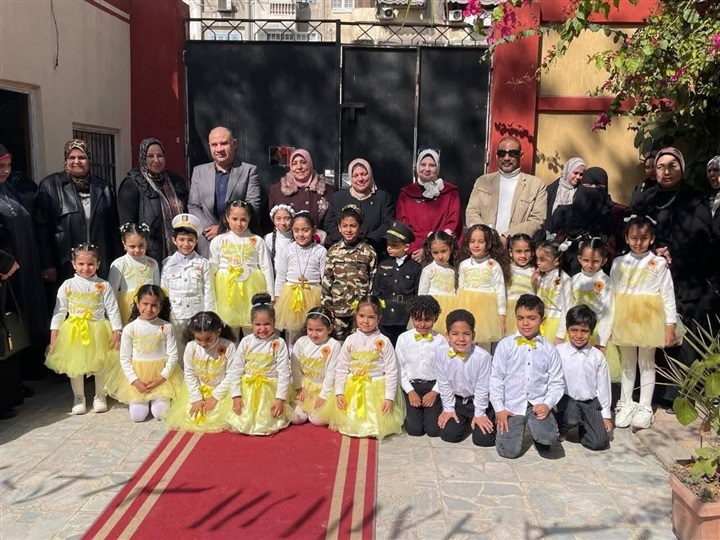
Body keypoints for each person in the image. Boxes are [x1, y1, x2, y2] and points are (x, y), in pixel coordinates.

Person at [631, 147, 713, 408]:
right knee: (650, 329)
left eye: (672, 166)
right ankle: (648, 390)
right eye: (660, 167)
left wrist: (672, 252)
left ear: (682, 168)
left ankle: (677, 393)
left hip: (684, 276)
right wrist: (650, 251)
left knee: (678, 330)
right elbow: (633, 230)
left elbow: (702, 235)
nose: (666, 171)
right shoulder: (645, 198)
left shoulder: (695, 199)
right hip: (649, 275)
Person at [611, 215, 676, 430]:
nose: (638, 242)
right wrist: (609, 323)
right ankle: (625, 402)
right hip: (624, 317)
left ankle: (645, 406)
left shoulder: (658, 263)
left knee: (647, 361)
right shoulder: (619, 262)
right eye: (634, 238)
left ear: (652, 238)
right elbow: (611, 294)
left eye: (644, 238)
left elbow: (667, 295)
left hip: (650, 317)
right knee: (627, 361)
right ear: (626, 238)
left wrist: (670, 325)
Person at [45, 243, 123, 415]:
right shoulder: (68, 285)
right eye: (81, 264)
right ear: (73, 264)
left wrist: (117, 331)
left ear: (98, 264)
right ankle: (79, 397)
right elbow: (59, 311)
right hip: (74, 331)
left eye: (90, 264)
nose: (86, 268)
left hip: (98, 330)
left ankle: (100, 396)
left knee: (101, 363)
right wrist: (54, 335)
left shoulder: (103, 285)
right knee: (76, 365)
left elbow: (112, 309)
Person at [35, 139, 121, 281]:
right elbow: (41, 229)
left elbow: (114, 229)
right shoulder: (50, 186)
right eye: (71, 157)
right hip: (65, 264)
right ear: (65, 160)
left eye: (82, 157)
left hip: (98, 265)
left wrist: (117, 261)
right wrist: (47, 264)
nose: (77, 161)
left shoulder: (104, 187)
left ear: (89, 160)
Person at [490, 294, 564, 458]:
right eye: (520, 318)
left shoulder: (550, 350)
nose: (525, 323)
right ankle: (515, 429)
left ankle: (540, 434)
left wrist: (547, 404)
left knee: (548, 437)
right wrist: (499, 409)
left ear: (542, 320)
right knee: (508, 452)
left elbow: (557, 383)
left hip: (537, 404)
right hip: (511, 406)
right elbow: (496, 379)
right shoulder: (505, 345)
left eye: (531, 318)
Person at [0, 143, 49, 381]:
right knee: (10, 321)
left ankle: (25, 373)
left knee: (26, 316)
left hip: (25, 261)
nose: (6, 171)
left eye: (8, 165)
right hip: (6, 270)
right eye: (1, 166)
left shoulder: (10, 188)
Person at [330, 295, 405, 439]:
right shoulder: (350, 340)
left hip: (376, 387)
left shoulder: (384, 341)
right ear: (356, 315)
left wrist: (389, 398)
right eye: (361, 316)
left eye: (371, 317)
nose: (365, 321)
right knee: (349, 423)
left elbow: (391, 371)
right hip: (353, 388)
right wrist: (339, 392)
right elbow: (341, 368)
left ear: (379, 318)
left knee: (375, 424)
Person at [104, 285, 182, 422]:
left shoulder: (166, 327)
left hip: (161, 377)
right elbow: (124, 358)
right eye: (145, 304)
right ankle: (141, 400)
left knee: (160, 415)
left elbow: (173, 355)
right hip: (138, 377)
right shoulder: (130, 328)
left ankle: (158, 399)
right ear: (138, 304)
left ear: (160, 307)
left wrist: (162, 378)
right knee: (137, 417)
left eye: (154, 305)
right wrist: (135, 381)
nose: (149, 309)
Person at [227, 293, 294, 435]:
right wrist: (236, 396)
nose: (262, 328)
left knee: (268, 425)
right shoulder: (246, 342)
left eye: (267, 324)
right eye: (257, 324)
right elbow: (236, 370)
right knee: (238, 426)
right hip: (248, 387)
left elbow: (284, 372)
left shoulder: (279, 343)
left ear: (274, 322)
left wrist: (280, 399)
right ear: (251, 323)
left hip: (270, 388)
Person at [188, 126, 261, 256]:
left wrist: (223, 228)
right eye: (214, 145)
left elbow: (252, 205)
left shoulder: (249, 171)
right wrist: (209, 229)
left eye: (224, 143)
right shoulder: (199, 171)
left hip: (238, 241)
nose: (219, 149)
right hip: (207, 241)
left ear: (234, 144)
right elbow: (193, 205)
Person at [165, 312, 241, 433]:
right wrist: (196, 399)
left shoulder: (229, 346)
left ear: (218, 332)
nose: (203, 344)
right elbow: (189, 374)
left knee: (217, 417)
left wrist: (215, 397)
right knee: (193, 416)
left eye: (208, 339)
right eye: (198, 339)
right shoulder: (191, 347)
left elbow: (231, 375)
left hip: (222, 390)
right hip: (199, 389)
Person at [117, 137, 188, 266]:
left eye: (160, 155)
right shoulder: (132, 184)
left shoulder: (176, 182)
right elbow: (127, 226)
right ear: (143, 158)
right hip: (147, 257)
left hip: (180, 254)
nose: (156, 160)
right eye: (150, 156)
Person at [466, 136, 547, 242]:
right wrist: (485, 236)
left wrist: (507, 237)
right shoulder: (482, 182)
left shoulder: (536, 185)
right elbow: (472, 212)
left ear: (521, 155)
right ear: (496, 156)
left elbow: (537, 220)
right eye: (502, 153)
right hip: (486, 245)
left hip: (517, 247)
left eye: (512, 153)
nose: (506, 158)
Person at [544, 167, 624, 275]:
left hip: (601, 278)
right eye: (588, 185)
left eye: (598, 187)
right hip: (564, 274)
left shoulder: (615, 215)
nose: (593, 190)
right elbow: (549, 245)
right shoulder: (563, 213)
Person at [209, 200, 273, 334]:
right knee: (230, 329)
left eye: (243, 219)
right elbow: (212, 270)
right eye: (234, 219)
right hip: (226, 289)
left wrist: (270, 295)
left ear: (249, 219)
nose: (239, 224)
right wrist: (211, 296)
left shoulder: (257, 241)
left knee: (252, 325)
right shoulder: (218, 241)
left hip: (252, 288)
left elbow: (266, 268)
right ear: (227, 218)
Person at [556, 305, 613, 451]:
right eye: (574, 330)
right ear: (567, 330)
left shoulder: (597, 356)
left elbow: (603, 387)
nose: (579, 335)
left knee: (599, 443)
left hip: (590, 402)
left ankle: (584, 426)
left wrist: (605, 415)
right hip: (566, 401)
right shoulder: (558, 352)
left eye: (584, 331)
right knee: (572, 416)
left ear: (591, 332)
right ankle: (561, 425)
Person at [436, 309, 496, 447]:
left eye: (466, 334)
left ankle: (486, 419)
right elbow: (444, 383)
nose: (461, 339)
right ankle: (465, 420)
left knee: (483, 440)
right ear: (447, 335)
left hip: (478, 401)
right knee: (448, 435)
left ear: (473, 335)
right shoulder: (440, 353)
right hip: (457, 401)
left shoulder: (483, 357)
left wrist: (480, 413)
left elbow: (482, 388)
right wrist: (448, 408)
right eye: (455, 334)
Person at [161, 214, 215, 356]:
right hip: (176, 314)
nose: (186, 244)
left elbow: (209, 291)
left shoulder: (203, 263)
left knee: (198, 348)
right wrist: (164, 315)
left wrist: (208, 315)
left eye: (190, 240)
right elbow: (164, 291)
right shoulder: (168, 264)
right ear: (174, 240)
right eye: (182, 239)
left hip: (196, 312)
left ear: (196, 241)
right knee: (177, 348)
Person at [321, 205, 377, 341]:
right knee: (338, 344)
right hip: (338, 311)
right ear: (339, 228)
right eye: (345, 226)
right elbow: (327, 281)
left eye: (353, 226)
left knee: (360, 343)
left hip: (360, 312)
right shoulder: (333, 251)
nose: (348, 230)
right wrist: (327, 308)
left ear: (360, 228)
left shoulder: (369, 252)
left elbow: (373, 281)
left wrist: (369, 308)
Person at [396, 150, 462, 262]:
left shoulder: (451, 193)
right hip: (413, 254)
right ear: (417, 166)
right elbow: (402, 226)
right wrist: (413, 250)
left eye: (432, 165)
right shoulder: (406, 194)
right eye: (423, 164)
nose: (427, 169)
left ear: (438, 168)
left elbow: (453, 223)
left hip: (442, 253)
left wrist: (429, 249)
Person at [395, 296, 447, 437]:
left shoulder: (441, 341)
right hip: (411, 386)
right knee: (415, 430)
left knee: (433, 431)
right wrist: (410, 391)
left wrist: (434, 392)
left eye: (427, 320)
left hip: (432, 386)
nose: (422, 324)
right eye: (418, 319)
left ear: (435, 318)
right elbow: (399, 367)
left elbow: (445, 370)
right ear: (412, 318)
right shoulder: (403, 338)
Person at [275, 211, 326, 347]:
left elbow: (324, 277)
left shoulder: (320, 251)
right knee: (291, 330)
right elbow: (281, 276)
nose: (301, 234)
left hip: (312, 294)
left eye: (305, 230)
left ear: (313, 230)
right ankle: (291, 354)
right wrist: (277, 296)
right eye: (296, 230)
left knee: (311, 328)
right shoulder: (288, 250)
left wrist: (325, 299)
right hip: (290, 295)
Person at [323, 159, 394, 252]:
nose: (360, 179)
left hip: (375, 250)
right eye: (355, 175)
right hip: (344, 251)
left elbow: (388, 223)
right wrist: (348, 239)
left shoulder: (383, 198)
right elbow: (329, 223)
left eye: (364, 174)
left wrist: (368, 241)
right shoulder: (337, 198)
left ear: (370, 174)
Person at [457, 224, 509, 347]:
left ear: (488, 244)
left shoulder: (493, 265)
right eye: (472, 241)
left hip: (487, 311)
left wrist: (502, 315)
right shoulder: (464, 264)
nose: (476, 245)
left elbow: (500, 291)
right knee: (465, 339)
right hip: (466, 306)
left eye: (481, 242)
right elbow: (461, 287)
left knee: (484, 345)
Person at [371, 221, 422, 345]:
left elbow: (417, 294)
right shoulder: (383, 264)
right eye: (388, 244)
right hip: (385, 316)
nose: (389, 248)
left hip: (404, 316)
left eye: (394, 245)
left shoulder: (414, 267)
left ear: (406, 247)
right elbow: (376, 292)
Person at [290, 306, 340, 426]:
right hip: (303, 385)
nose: (314, 334)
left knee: (317, 420)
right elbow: (295, 367)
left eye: (319, 330)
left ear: (329, 329)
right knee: (297, 418)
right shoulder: (301, 342)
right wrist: (299, 388)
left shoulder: (334, 345)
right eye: (310, 329)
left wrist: (323, 396)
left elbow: (331, 373)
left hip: (323, 387)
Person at [268, 149, 335, 233]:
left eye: (303, 162)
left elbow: (332, 222)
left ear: (310, 164)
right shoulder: (277, 190)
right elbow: (268, 222)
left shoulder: (327, 190)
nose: (299, 167)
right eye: (294, 163)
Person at [108, 223, 161, 325]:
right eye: (132, 246)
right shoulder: (119, 264)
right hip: (127, 308)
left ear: (146, 242)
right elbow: (111, 293)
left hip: (148, 307)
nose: (137, 250)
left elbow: (157, 288)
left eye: (141, 246)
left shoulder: (152, 263)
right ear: (124, 244)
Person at [571, 237, 613, 351]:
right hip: (575, 329)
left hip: (596, 331)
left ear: (603, 261)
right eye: (586, 260)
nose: (590, 265)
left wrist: (601, 342)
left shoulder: (606, 281)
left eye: (595, 261)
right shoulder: (574, 279)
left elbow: (608, 312)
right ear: (579, 259)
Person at [418, 230, 459, 333]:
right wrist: (423, 313)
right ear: (430, 251)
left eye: (444, 251)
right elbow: (422, 294)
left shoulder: (454, 270)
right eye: (435, 253)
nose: (440, 256)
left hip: (452, 308)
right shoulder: (428, 270)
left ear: (451, 248)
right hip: (433, 310)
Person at [533, 238, 572, 343]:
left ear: (556, 261)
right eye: (537, 258)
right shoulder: (543, 277)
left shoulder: (565, 280)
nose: (538, 262)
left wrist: (560, 335)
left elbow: (567, 309)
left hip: (555, 324)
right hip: (542, 322)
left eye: (542, 259)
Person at [506, 234, 535, 335]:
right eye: (518, 251)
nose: (523, 255)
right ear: (511, 252)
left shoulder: (534, 271)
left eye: (527, 251)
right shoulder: (506, 270)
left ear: (532, 253)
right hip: (509, 313)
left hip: (529, 312)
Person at [264, 204, 294, 270]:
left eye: (287, 218)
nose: (282, 223)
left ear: (292, 219)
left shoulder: (296, 238)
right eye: (278, 218)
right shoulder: (268, 238)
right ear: (273, 220)